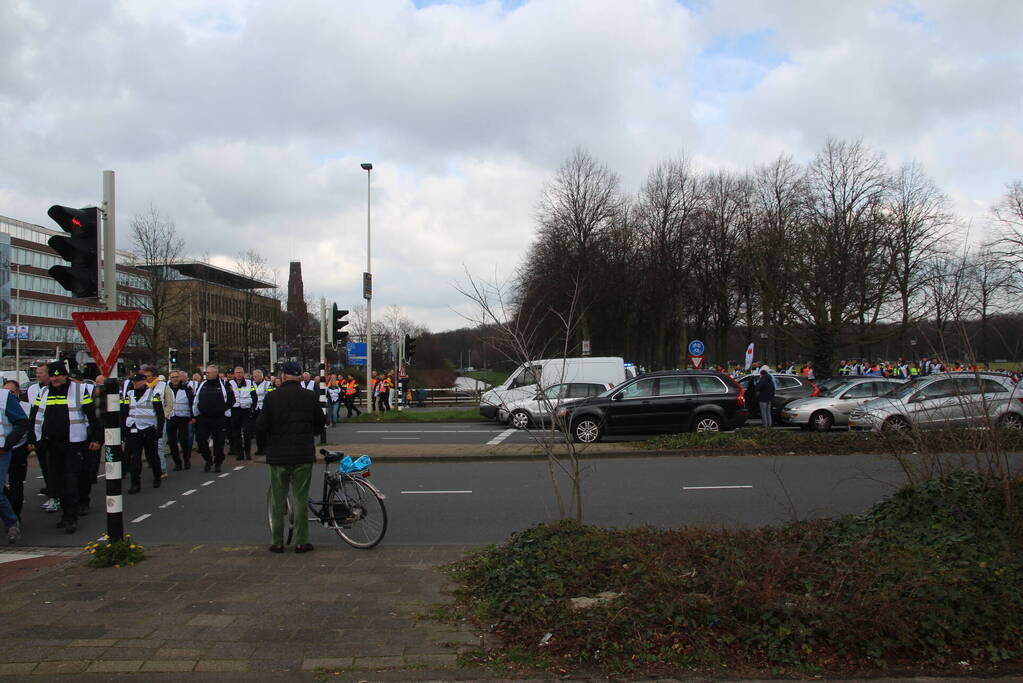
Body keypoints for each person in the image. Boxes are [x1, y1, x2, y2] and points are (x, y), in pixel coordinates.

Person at [256, 361, 326, 554]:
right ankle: (302, 541)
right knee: (300, 498)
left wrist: (268, 443)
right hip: (302, 454)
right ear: (299, 376)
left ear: (283, 376)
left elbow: (261, 426)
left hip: (278, 455)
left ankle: (277, 542)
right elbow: (321, 423)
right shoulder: (309, 397)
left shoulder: (272, 398)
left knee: (278, 499)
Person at [27, 361, 101, 533]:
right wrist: (33, 439)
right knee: (56, 481)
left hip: (73, 443)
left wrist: (97, 439)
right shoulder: (44, 392)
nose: (55, 378)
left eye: (58, 375)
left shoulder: (79, 390)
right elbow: (35, 417)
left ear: (65, 375)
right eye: (52, 375)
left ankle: (71, 516)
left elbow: (92, 416)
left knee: (71, 480)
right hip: (51, 443)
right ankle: (65, 514)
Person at [123, 372, 164, 494]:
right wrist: (123, 429)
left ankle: (157, 476)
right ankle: (135, 483)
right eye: (133, 382)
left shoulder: (153, 394)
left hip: (148, 429)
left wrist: (159, 431)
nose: (135, 384)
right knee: (135, 458)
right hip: (133, 428)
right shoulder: (129, 395)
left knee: (152, 456)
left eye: (137, 382)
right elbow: (124, 412)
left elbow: (160, 415)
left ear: (144, 382)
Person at [0, 380, 30, 543]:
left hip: (1, 452)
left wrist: (7, 444)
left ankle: (12, 522)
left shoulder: (5, 397)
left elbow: (22, 422)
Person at [192, 365, 235, 473]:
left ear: (216, 373)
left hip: (219, 418)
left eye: (210, 373)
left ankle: (218, 462)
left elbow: (232, 400)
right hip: (203, 417)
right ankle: (208, 460)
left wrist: (222, 409)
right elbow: (196, 400)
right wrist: (195, 414)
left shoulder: (224, 385)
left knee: (219, 442)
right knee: (200, 440)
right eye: (207, 373)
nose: (207, 374)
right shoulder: (202, 385)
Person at [27, 364, 58, 513]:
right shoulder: (32, 389)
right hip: (39, 435)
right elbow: (31, 413)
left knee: (54, 468)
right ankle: (51, 495)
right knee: (45, 467)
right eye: (37, 373)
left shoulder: (55, 389)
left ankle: (56, 496)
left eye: (41, 373)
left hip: (53, 435)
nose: (38, 375)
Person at [166, 371, 195, 470]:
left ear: (180, 378)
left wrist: (193, 416)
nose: (175, 379)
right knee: (172, 441)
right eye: (172, 377)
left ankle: (187, 459)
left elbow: (192, 402)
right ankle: (177, 462)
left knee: (183, 439)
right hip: (171, 417)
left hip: (183, 417)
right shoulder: (166, 389)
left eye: (176, 377)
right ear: (170, 379)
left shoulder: (186, 389)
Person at [228, 366, 256, 460]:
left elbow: (254, 395)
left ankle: (247, 452)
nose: (239, 374)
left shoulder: (249, 383)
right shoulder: (230, 383)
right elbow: (227, 396)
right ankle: (239, 453)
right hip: (235, 409)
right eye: (237, 372)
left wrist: (253, 408)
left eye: (240, 372)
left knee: (247, 432)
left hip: (246, 410)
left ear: (243, 373)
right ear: (234, 374)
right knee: (236, 433)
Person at [251, 369, 271, 455]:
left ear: (260, 376)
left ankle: (266, 447)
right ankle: (260, 448)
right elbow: (250, 394)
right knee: (257, 429)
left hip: (264, 408)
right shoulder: (252, 384)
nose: (254, 378)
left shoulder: (268, 384)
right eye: (253, 376)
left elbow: (271, 395)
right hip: (255, 408)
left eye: (255, 376)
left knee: (265, 429)